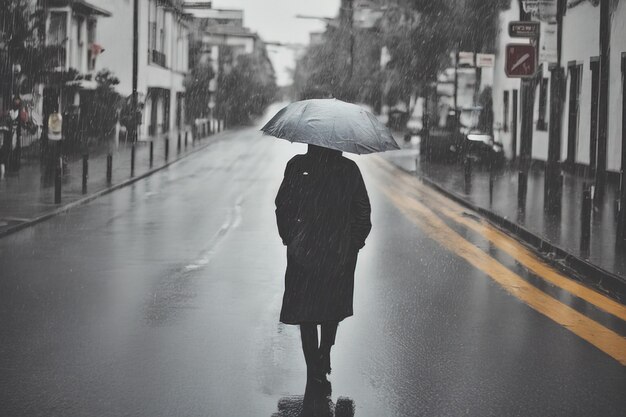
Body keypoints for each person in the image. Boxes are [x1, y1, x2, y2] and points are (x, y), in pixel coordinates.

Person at [275, 144, 372, 383]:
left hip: (303, 250)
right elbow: (362, 211)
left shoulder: (298, 165)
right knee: (331, 306)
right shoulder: (348, 169)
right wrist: (353, 243)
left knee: (306, 311)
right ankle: (324, 352)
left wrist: (290, 237)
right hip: (338, 251)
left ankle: (313, 368)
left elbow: (282, 205)